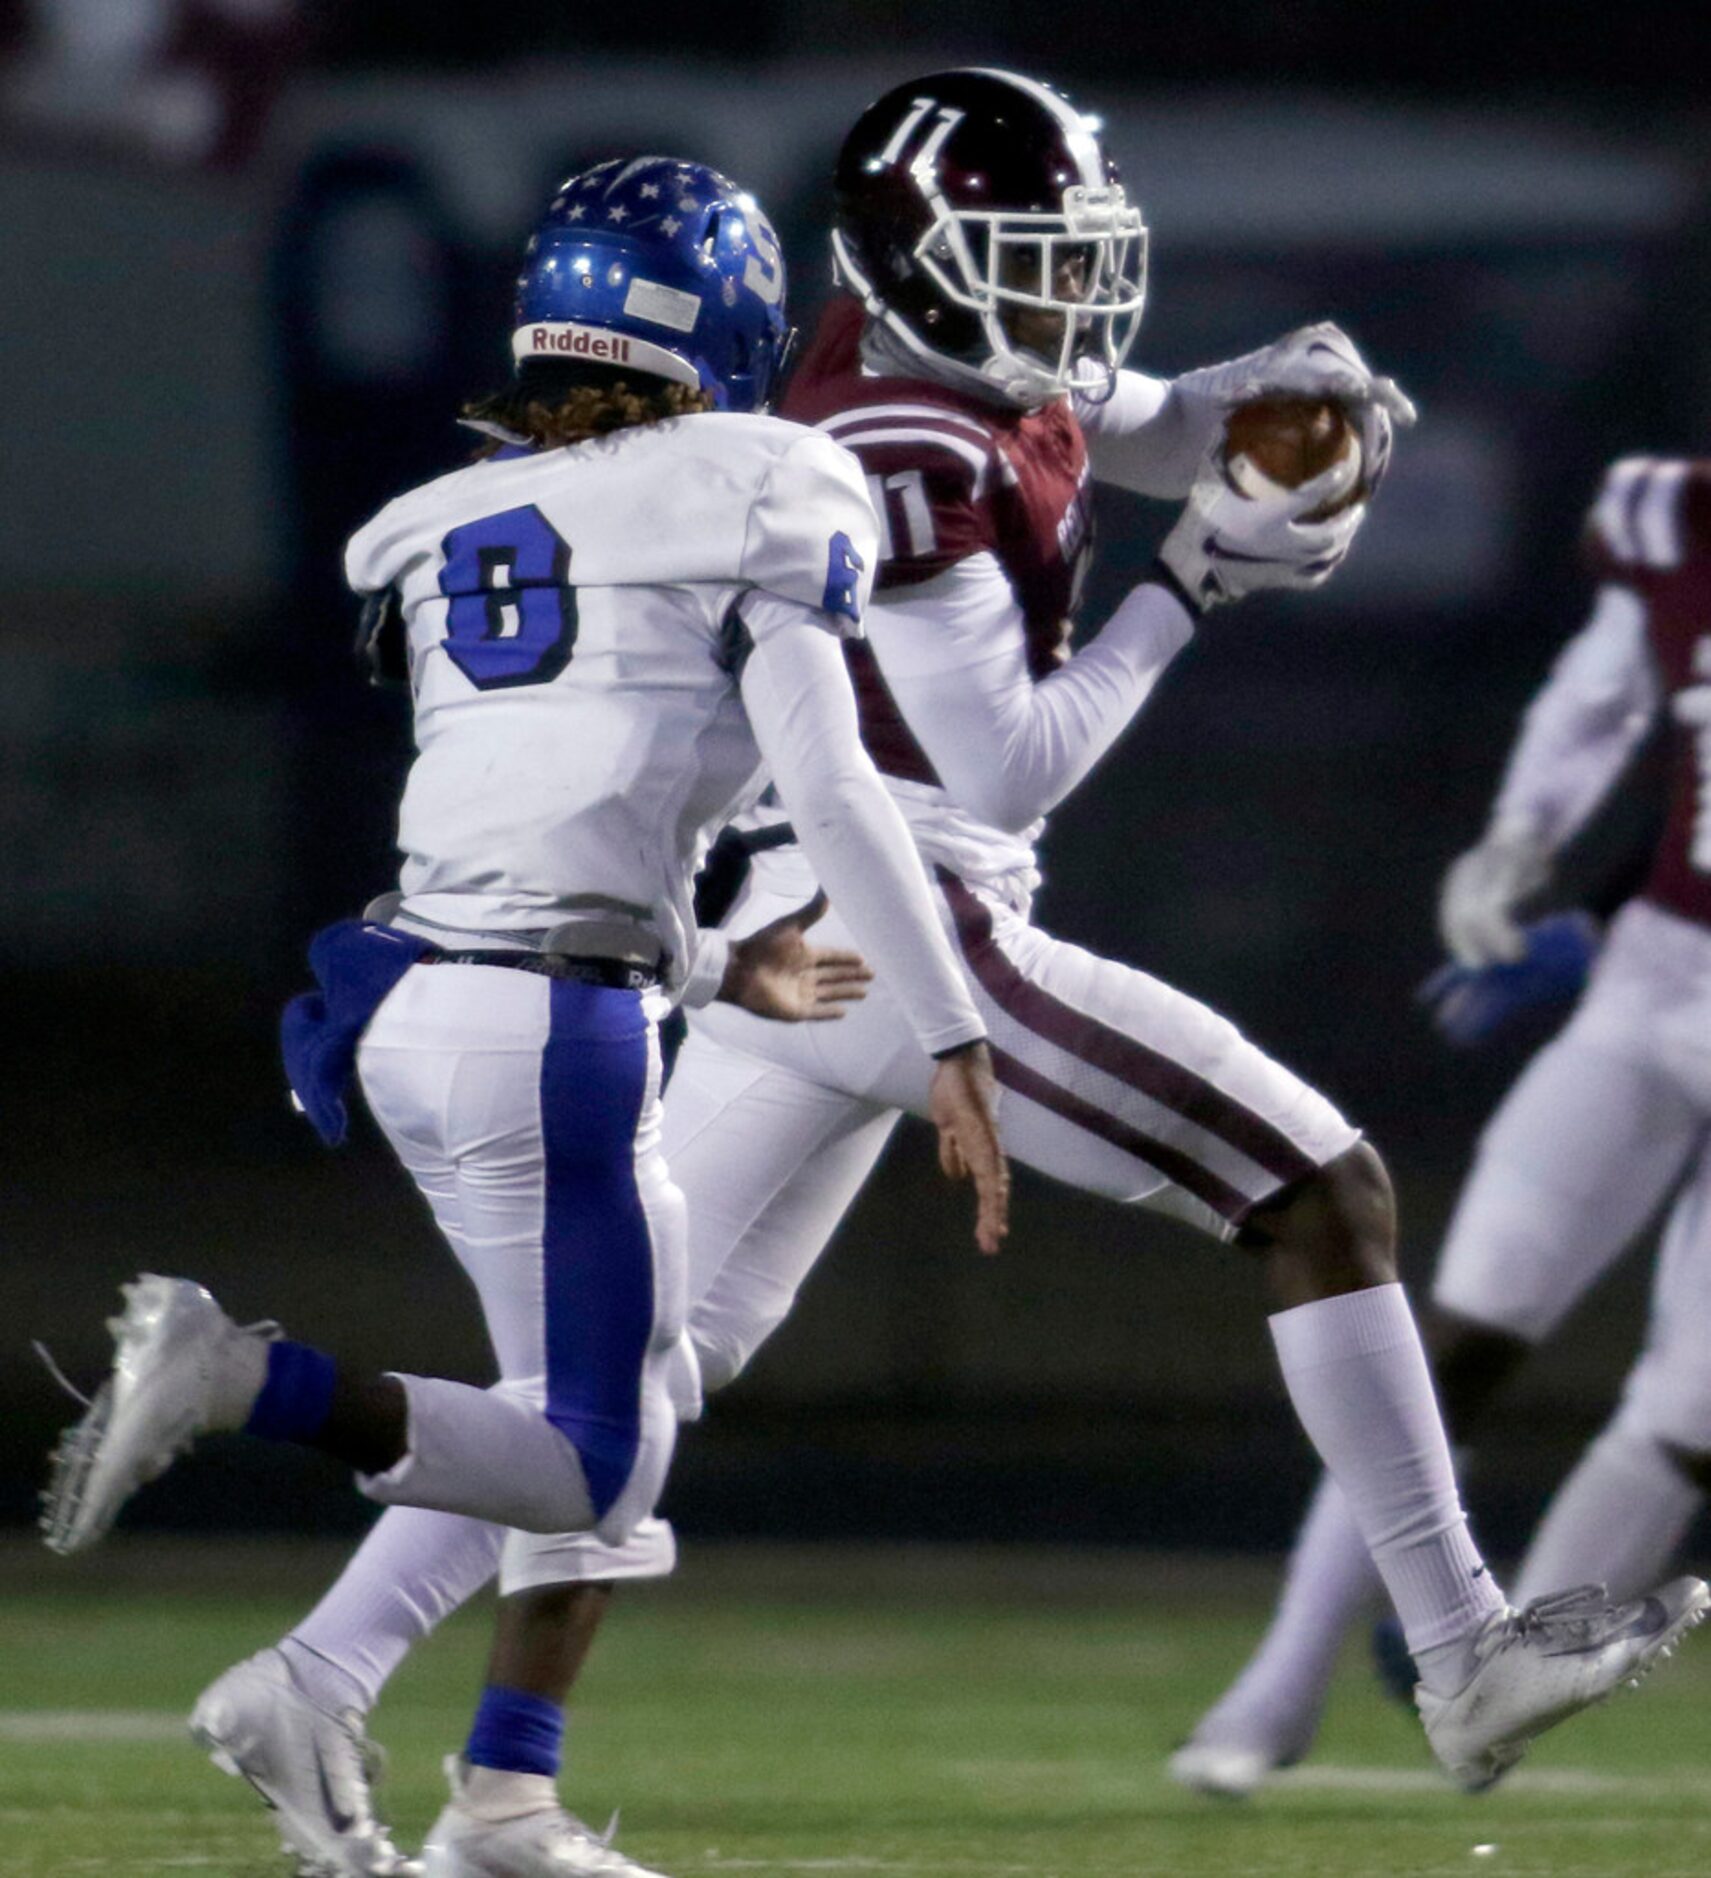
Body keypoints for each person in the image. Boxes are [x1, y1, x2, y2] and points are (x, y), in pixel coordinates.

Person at [161, 79, 1704, 1877]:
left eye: (1073, 266)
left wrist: (1279, 401)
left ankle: (318, 1673)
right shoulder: (888, 441)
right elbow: (1014, 763)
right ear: (919, 273)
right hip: (901, 912)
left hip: (812, 923)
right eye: (1028, 268)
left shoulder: (948, 368)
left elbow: (1135, 411)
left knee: (639, 1380)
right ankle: (1461, 1655)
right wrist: (1204, 577)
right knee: (1323, 1191)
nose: (1068, 307)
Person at [37, 152, 1014, 1873]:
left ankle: (417, 1748)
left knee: (603, 1394)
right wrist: (951, 1030)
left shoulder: (457, 518)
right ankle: (244, 1383)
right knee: (592, 1463)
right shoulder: (770, 479)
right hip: (550, 1036)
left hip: (413, 996)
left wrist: (723, 965)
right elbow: (834, 783)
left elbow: (540, 805)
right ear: (724, 315)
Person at [1171, 451, 1711, 1798]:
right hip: (1661, 976)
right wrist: (1528, 842)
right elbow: (1603, 695)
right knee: (1464, 1333)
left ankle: (1514, 1667)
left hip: (1649, 962)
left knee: (1690, 1411)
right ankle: (1276, 1688)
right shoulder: (1679, 516)